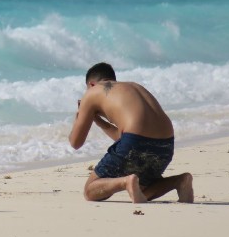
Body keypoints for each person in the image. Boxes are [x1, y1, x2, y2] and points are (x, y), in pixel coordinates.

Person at [69, 62, 194, 203]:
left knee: (90, 191)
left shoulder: (93, 92)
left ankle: (125, 182)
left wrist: (80, 116)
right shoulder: (133, 87)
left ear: (91, 84)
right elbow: (125, 138)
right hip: (165, 146)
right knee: (143, 191)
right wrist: (99, 122)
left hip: (135, 141)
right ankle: (180, 181)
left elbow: (75, 142)